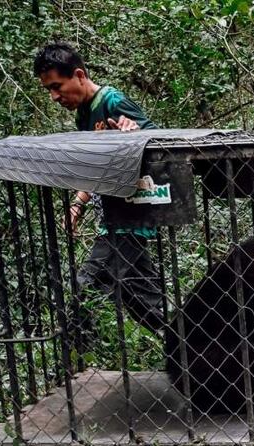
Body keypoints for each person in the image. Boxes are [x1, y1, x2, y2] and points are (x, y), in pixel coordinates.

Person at [33, 42, 166, 351]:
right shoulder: (84, 114)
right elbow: (96, 166)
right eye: (48, 90)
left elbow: (160, 142)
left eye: (57, 87)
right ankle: (195, 347)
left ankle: (77, 359)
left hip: (131, 221)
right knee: (144, 304)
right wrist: (78, 204)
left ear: (79, 75)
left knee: (87, 289)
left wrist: (134, 132)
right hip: (114, 218)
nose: (54, 97)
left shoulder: (113, 101)